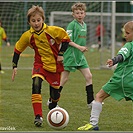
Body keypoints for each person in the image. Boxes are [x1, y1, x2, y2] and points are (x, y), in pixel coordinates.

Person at [11, 5, 70, 127]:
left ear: (43, 19)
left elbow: (66, 39)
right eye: (33, 21)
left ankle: (52, 103)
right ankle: (38, 116)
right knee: (36, 84)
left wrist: (60, 54)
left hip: (54, 66)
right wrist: (14, 66)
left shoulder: (53, 30)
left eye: (38, 20)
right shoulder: (27, 36)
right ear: (29, 22)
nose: (36, 23)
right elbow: (17, 50)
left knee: (55, 96)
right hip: (40, 65)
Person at [77, 21, 133, 131]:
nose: (125, 35)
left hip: (120, 79)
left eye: (127, 33)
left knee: (99, 96)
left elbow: (122, 55)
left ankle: (93, 123)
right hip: (131, 80)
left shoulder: (129, 45)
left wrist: (113, 60)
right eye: (124, 33)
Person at [48, 2, 94, 109]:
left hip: (80, 56)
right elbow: (67, 40)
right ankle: (52, 100)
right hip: (70, 55)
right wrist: (79, 47)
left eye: (81, 13)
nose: (79, 15)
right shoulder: (72, 25)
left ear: (85, 14)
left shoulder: (85, 25)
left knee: (89, 76)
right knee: (64, 79)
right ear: (73, 14)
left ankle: (90, 102)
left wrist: (82, 48)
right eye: (77, 13)